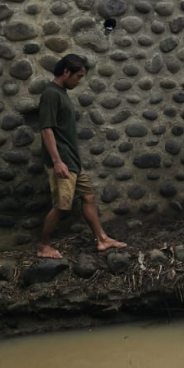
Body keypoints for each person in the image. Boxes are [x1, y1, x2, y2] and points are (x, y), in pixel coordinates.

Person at [37, 54, 127, 259]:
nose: (79, 81)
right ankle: (43, 246)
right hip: (62, 161)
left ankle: (102, 239)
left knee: (88, 197)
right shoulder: (51, 94)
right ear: (66, 72)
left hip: (72, 160)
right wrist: (57, 161)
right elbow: (46, 130)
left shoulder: (61, 93)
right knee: (61, 206)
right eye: (78, 76)